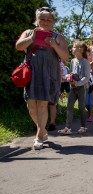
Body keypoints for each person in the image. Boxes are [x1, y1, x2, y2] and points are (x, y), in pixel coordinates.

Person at [15, 7, 69, 150]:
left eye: (49, 19)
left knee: (42, 104)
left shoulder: (58, 36)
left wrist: (53, 44)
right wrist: (31, 38)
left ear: (53, 21)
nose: (45, 22)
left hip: (49, 74)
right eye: (42, 19)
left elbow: (65, 56)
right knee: (31, 104)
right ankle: (43, 129)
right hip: (32, 72)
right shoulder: (29, 32)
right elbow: (18, 47)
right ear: (37, 20)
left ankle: (39, 136)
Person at [57, 40, 90, 134]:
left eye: (74, 46)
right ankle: (68, 128)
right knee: (69, 106)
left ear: (80, 49)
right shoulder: (72, 61)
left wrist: (77, 83)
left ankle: (83, 126)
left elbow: (86, 77)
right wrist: (68, 78)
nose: (72, 48)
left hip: (82, 88)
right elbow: (70, 73)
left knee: (81, 107)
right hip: (73, 87)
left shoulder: (85, 62)